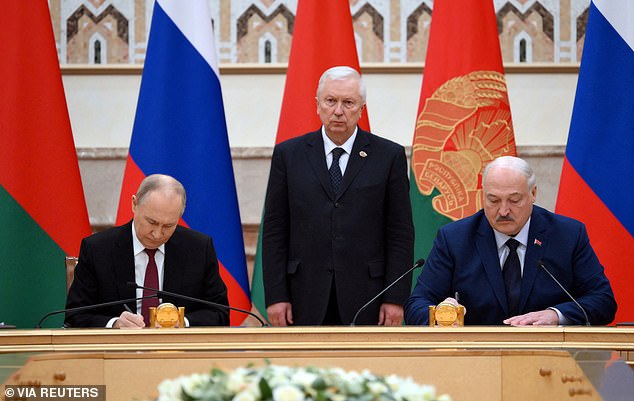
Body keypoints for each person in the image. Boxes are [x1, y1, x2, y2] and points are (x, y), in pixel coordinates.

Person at [262, 66, 414, 326]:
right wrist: (276, 296)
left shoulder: (389, 156)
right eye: (331, 101)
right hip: (303, 295)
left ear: (362, 108)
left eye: (348, 102)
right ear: (317, 104)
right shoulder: (289, 155)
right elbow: (275, 230)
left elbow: (399, 233)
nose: (338, 111)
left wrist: (395, 298)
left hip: (369, 296)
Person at [405, 156, 616, 326]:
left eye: (514, 200)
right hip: (475, 360)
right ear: (483, 195)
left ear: (533, 194)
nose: (503, 211)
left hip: (551, 358)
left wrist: (556, 315)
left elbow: (603, 301)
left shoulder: (567, 235)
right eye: (493, 200)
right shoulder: (455, 239)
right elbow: (416, 305)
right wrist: (442, 314)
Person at [65, 174, 229, 328]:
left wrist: (182, 322)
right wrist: (114, 324)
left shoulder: (198, 248)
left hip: (178, 352)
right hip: (117, 353)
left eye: (168, 226)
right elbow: (74, 316)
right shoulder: (98, 249)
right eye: (151, 222)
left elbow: (220, 312)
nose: (157, 234)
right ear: (134, 204)